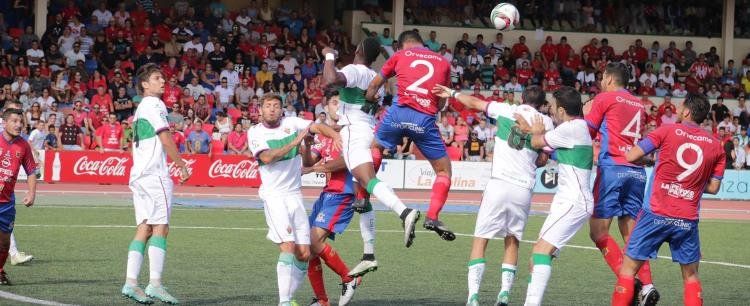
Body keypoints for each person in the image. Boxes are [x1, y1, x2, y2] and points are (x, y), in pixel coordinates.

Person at [432, 84, 552, 306]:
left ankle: (473, 297)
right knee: (512, 240)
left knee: (481, 239)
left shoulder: (506, 110)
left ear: (522, 98)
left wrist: (452, 93)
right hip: (523, 188)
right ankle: (504, 293)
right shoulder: (546, 123)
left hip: (499, 183)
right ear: (542, 103)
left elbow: (475, 103)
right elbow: (543, 159)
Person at [612, 93, 725, 306]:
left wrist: (656, 161)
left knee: (628, 271)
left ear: (687, 111)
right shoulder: (716, 145)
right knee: (691, 277)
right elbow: (714, 187)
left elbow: (631, 156)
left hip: (655, 213)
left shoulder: (666, 130)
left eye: (681, 107)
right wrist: (690, 182)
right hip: (687, 219)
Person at [247, 94, 341, 306]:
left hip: (294, 196)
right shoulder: (255, 132)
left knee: (304, 253)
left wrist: (333, 136)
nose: (272, 109)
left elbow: (316, 126)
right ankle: (284, 302)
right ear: (260, 110)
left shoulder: (292, 122)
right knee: (288, 246)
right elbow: (268, 157)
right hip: (274, 196)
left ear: (282, 110)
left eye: (276, 106)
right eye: (268, 106)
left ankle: (287, 298)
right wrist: (297, 140)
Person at [320, 37, 400, 277]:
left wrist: (329, 55)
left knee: (366, 190)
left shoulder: (354, 70)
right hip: (371, 135)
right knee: (362, 201)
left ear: (357, 51)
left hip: (358, 135)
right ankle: (368, 253)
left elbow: (330, 80)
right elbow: (383, 99)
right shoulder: (378, 79)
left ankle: (404, 211)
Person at [366, 30, 455, 244]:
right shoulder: (443, 62)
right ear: (422, 43)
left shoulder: (399, 56)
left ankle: (361, 198)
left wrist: (369, 100)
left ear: (402, 45)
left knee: (376, 147)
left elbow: (374, 85)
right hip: (424, 120)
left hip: (397, 114)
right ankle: (432, 217)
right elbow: (443, 101)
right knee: (444, 171)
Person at [509, 87, 593, 305]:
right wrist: (530, 131)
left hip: (573, 201)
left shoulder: (571, 128)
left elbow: (538, 143)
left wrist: (533, 130)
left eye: (554, 108)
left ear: (563, 110)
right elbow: (552, 149)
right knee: (537, 257)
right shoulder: (576, 128)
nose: (551, 111)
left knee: (540, 252)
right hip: (568, 201)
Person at [584, 62, 659, 305]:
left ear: (607, 78)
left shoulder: (604, 98)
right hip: (636, 172)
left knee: (598, 231)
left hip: (613, 169)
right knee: (631, 234)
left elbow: (587, 131)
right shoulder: (639, 103)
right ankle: (647, 286)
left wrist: (584, 113)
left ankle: (629, 281)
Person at [121, 64, 191, 304]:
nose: (163, 81)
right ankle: (155, 284)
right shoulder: (154, 104)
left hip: (139, 174)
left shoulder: (140, 109)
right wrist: (181, 165)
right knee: (161, 227)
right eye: (157, 78)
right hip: (154, 175)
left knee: (144, 228)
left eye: (163, 78)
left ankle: (131, 283)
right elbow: (165, 136)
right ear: (144, 84)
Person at [301, 90, 362, 306]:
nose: (338, 106)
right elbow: (308, 163)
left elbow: (346, 161)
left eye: (341, 103)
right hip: (327, 194)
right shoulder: (325, 136)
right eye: (334, 103)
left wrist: (315, 168)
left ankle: (350, 277)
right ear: (326, 108)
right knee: (306, 246)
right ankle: (322, 300)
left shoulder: (351, 132)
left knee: (314, 240)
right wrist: (307, 145)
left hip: (343, 193)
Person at [0, 108, 37, 285]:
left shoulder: (23, 145)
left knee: (5, 243)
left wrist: (31, 192)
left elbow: (31, 170)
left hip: (6, 203)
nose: (18, 125)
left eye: (20, 121)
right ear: (4, 122)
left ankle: (0, 271)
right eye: (14, 121)